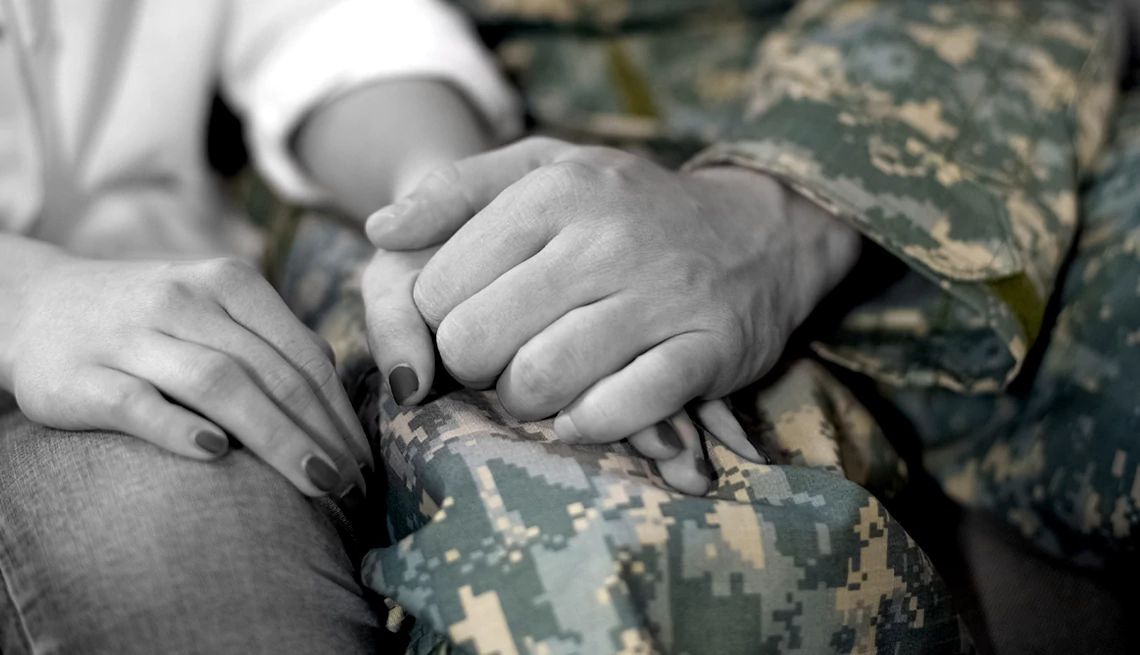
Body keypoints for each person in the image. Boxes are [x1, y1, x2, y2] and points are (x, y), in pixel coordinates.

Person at [292, 0, 1124, 651]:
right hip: (497, 155)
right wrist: (469, 210)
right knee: (593, 577)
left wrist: (779, 208)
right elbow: (312, 29)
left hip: (964, 100)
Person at [0, 0, 521, 652]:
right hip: (87, 327)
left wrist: (438, 195)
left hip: (154, 312)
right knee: (173, 528)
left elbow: (323, 27)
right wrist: (22, 297)